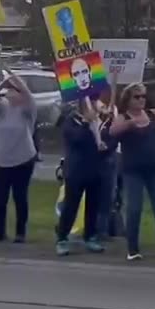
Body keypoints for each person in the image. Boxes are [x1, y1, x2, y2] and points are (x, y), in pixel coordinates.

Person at [107, 83, 155, 261]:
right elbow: (112, 131)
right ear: (128, 99)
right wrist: (129, 124)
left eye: (143, 96)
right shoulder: (123, 118)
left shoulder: (152, 114)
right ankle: (132, 249)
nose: (141, 99)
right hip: (133, 171)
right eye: (137, 97)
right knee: (134, 208)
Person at [55, 98, 112, 255]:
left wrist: (105, 145)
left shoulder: (99, 122)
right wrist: (86, 122)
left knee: (93, 206)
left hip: (95, 169)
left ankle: (91, 236)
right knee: (71, 206)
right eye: (90, 102)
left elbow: (109, 139)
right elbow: (76, 139)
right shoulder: (70, 121)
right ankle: (62, 238)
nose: (94, 105)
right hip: (76, 171)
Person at [0, 68, 37, 244]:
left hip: (23, 160)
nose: (9, 93)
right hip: (1, 161)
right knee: (0, 200)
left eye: (13, 91)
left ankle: (20, 233)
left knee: (20, 197)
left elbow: (29, 96)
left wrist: (14, 76)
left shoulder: (27, 111)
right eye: (7, 91)